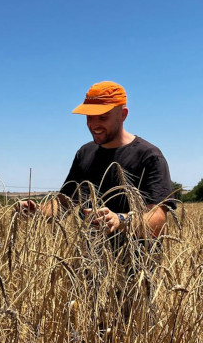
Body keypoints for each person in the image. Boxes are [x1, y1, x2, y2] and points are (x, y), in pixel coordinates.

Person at [17, 81, 175, 240]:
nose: (94, 125)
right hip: (90, 261)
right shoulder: (85, 153)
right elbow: (64, 203)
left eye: (102, 117)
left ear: (123, 115)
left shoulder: (149, 157)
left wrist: (120, 220)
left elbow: (158, 219)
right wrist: (37, 210)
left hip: (137, 262)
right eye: (89, 117)